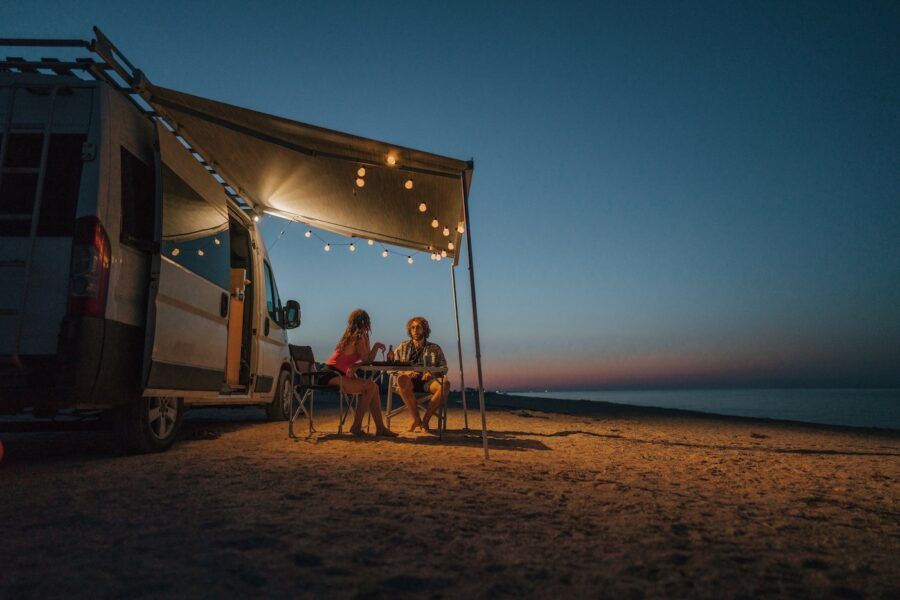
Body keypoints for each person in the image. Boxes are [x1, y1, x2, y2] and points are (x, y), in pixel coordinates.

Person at [322, 309, 396, 437]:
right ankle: (356, 427)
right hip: (331, 375)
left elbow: (367, 360)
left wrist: (357, 364)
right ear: (365, 321)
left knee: (374, 387)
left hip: (339, 374)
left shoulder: (362, 336)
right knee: (371, 386)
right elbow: (367, 359)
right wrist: (376, 346)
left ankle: (380, 428)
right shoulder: (357, 336)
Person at [387, 316, 449, 432]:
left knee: (445, 385)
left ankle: (425, 421)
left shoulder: (435, 348)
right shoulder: (403, 347)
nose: (415, 330)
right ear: (410, 330)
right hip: (409, 382)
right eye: (413, 328)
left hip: (428, 381)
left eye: (418, 327)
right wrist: (406, 372)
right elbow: (390, 368)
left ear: (424, 329)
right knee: (402, 379)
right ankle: (416, 419)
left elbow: (444, 368)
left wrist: (431, 373)